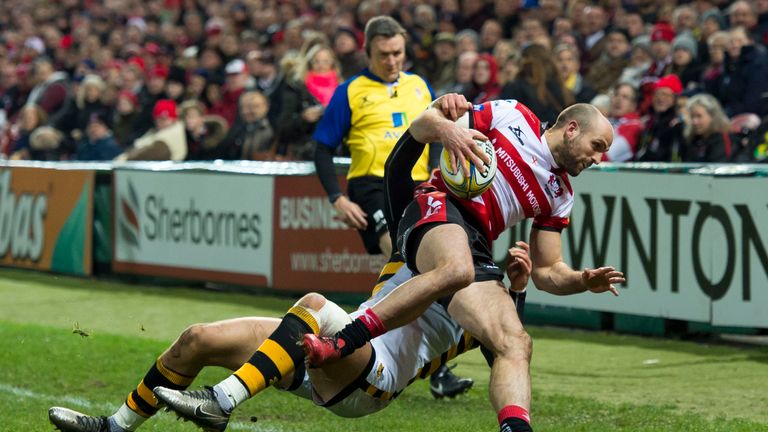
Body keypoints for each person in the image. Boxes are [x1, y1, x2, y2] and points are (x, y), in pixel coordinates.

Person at [303, 93, 625, 432]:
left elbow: (546, 271)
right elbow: (424, 124)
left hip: (477, 245)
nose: (599, 158)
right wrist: (447, 129)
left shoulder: (561, 195)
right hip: (439, 205)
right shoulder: (513, 115)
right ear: (572, 129)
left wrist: (581, 281)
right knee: (457, 268)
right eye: (597, 145)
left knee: (515, 342)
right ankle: (344, 340)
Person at [312, 15, 471, 399]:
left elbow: (438, 129)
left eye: (398, 53)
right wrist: (338, 197)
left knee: (423, 270)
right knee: (406, 263)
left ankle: (378, 349)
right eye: (384, 54)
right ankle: (373, 352)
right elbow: (321, 148)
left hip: (417, 188)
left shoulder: (418, 86)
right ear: (368, 52)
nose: (392, 60)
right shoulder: (349, 92)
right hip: (370, 188)